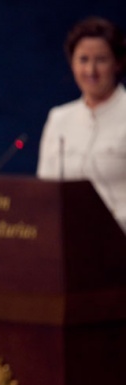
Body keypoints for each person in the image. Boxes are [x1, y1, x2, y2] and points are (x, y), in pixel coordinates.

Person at [37, 16, 126, 233]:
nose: (91, 71)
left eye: (101, 60)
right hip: (66, 243)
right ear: (72, 63)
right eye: (83, 60)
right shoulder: (58, 118)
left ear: (118, 63)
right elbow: (43, 191)